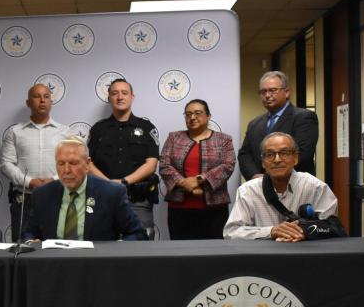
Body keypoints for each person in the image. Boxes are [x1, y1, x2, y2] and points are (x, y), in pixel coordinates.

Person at [22, 137, 146, 242]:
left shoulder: (111, 193)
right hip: (53, 266)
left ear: (87, 164)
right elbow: (29, 233)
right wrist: (31, 242)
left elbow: (138, 233)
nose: (66, 170)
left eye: (73, 163)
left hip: (96, 266)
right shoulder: (42, 195)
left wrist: (116, 249)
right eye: (61, 164)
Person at [224, 132, 338, 241]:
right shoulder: (248, 191)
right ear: (263, 162)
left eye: (284, 153)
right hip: (263, 257)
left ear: (295, 158)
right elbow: (232, 232)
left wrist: (305, 230)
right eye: (270, 154)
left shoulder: (315, 187)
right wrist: (271, 231)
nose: (277, 160)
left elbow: (334, 227)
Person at [0, 83, 71, 241]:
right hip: (24, 201)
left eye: (46, 96)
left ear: (51, 102)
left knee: (58, 248)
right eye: (37, 96)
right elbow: (6, 164)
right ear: (28, 103)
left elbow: (72, 164)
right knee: (23, 248)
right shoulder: (15, 132)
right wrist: (30, 182)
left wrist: (53, 181)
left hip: (57, 197)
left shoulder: (65, 132)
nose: (42, 100)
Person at [87, 78, 159, 230]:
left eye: (124, 93)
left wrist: (123, 183)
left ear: (132, 97)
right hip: (103, 199)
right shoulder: (98, 129)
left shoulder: (146, 127)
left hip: (138, 201)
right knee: (102, 247)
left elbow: (151, 164)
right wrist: (109, 185)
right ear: (109, 98)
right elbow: (88, 164)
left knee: (141, 247)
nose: (120, 97)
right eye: (115, 93)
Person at [159, 99, 235, 239]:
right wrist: (186, 184)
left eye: (198, 113)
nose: (192, 117)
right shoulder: (174, 138)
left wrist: (199, 180)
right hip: (179, 210)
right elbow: (164, 165)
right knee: (182, 254)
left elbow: (228, 165)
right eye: (188, 114)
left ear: (208, 116)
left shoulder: (223, 140)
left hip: (215, 209)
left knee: (214, 254)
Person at [238, 71, 318, 180]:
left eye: (272, 90)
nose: (267, 95)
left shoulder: (304, 117)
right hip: (260, 187)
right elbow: (244, 155)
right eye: (263, 92)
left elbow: (303, 153)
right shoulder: (254, 123)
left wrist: (271, 176)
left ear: (286, 92)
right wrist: (255, 176)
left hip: (294, 185)